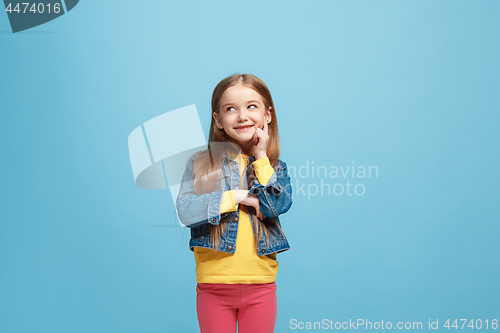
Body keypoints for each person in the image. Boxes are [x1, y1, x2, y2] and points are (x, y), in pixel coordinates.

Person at [175, 73, 293, 333]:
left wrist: (261, 158)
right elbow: (185, 211)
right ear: (218, 119)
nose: (242, 116)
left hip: (260, 284)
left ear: (267, 115)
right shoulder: (201, 163)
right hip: (213, 285)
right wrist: (238, 197)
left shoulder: (273, 167)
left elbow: (277, 204)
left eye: (252, 106)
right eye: (231, 109)